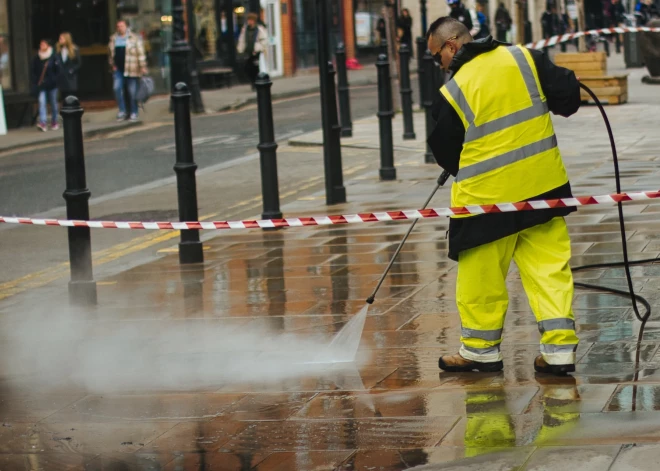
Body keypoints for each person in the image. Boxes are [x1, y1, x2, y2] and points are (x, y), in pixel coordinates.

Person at [425, 17, 581, 376]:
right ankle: (558, 352)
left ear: (451, 46)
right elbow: (568, 98)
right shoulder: (526, 58)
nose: (440, 65)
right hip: (542, 188)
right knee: (548, 270)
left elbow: (445, 150)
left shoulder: (454, 90)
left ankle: (480, 351)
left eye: (438, 57)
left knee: (481, 277)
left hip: (486, 201)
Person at [108, 20, 147, 122]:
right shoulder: (114, 39)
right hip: (119, 69)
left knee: (132, 91)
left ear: (126, 26)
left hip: (132, 68)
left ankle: (134, 112)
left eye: (121, 26)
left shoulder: (134, 38)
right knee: (117, 88)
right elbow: (111, 53)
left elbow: (140, 53)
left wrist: (142, 66)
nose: (119, 28)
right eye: (118, 26)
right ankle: (122, 111)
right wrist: (112, 65)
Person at [31, 39, 60, 132]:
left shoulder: (54, 56)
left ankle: (54, 121)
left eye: (44, 44)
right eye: (41, 44)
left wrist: (54, 80)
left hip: (52, 84)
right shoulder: (37, 58)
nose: (42, 46)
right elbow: (34, 71)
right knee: (42, 102)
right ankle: (43, 122)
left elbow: (58, 70)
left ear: (48, 45)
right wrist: (35, 81)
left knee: (53, 103)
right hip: (42, 85)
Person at [237, 13, 268, 90]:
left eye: (251, 20)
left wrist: (258, 48)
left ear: (254, 21)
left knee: (255, 68)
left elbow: (264, 40)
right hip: (247, 51)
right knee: (247, 68)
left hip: (255, 52)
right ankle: (252, 81)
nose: (249, 21)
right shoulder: (245, 29)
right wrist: (240, 49)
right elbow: (242, 39)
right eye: (248, 20)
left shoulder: (259, 29)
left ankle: (255, 84)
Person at [56, 32, 81, 99]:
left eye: (61, 39)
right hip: (62, 77)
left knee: (71, 96)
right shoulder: (58, 50)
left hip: (71, 77)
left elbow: (78, 63)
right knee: (64, 97)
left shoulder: (74, 49)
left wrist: (72, 70)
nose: (59, 40)